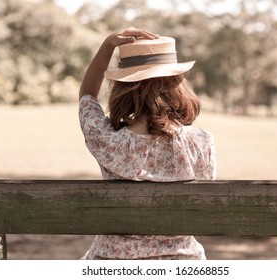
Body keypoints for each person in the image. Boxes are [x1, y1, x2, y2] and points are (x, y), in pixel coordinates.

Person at [79, 27, 216, 260]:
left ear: (124, 88)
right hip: (184, 263)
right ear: (178, 85)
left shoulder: (108, 142)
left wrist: (108, 45)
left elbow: (87, 96)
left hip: (113, 263)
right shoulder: (201, 142)